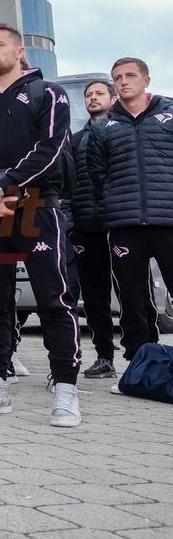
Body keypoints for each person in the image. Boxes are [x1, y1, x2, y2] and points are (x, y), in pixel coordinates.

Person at [0, 22, 80, 427]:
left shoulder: (48, 93)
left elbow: (51, 147)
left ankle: (65, 390)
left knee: (54, 299)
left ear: (20, 51)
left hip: (36, 204)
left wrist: (2, 185)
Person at [88, 57, 173, 368]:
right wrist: (111, 205)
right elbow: (97, 173)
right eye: (117, 78)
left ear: (146, 80)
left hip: (168, 220)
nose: (123, 81)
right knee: (132, 299)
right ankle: (141, 362)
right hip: (124, 224)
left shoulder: (170, 112)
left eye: (130, 75)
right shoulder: (104, 127)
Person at [68, 79, 119, 378]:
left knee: (133, 296)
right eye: (88, 95)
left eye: (99, 93)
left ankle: (145, 356)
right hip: (86, 227)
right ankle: (105, 357)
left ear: (113, 98)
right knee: (96, 298)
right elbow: (68, 186)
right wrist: (72, 224)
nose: (93, 98)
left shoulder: (125, 131)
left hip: (120, 224)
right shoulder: (75, 139)